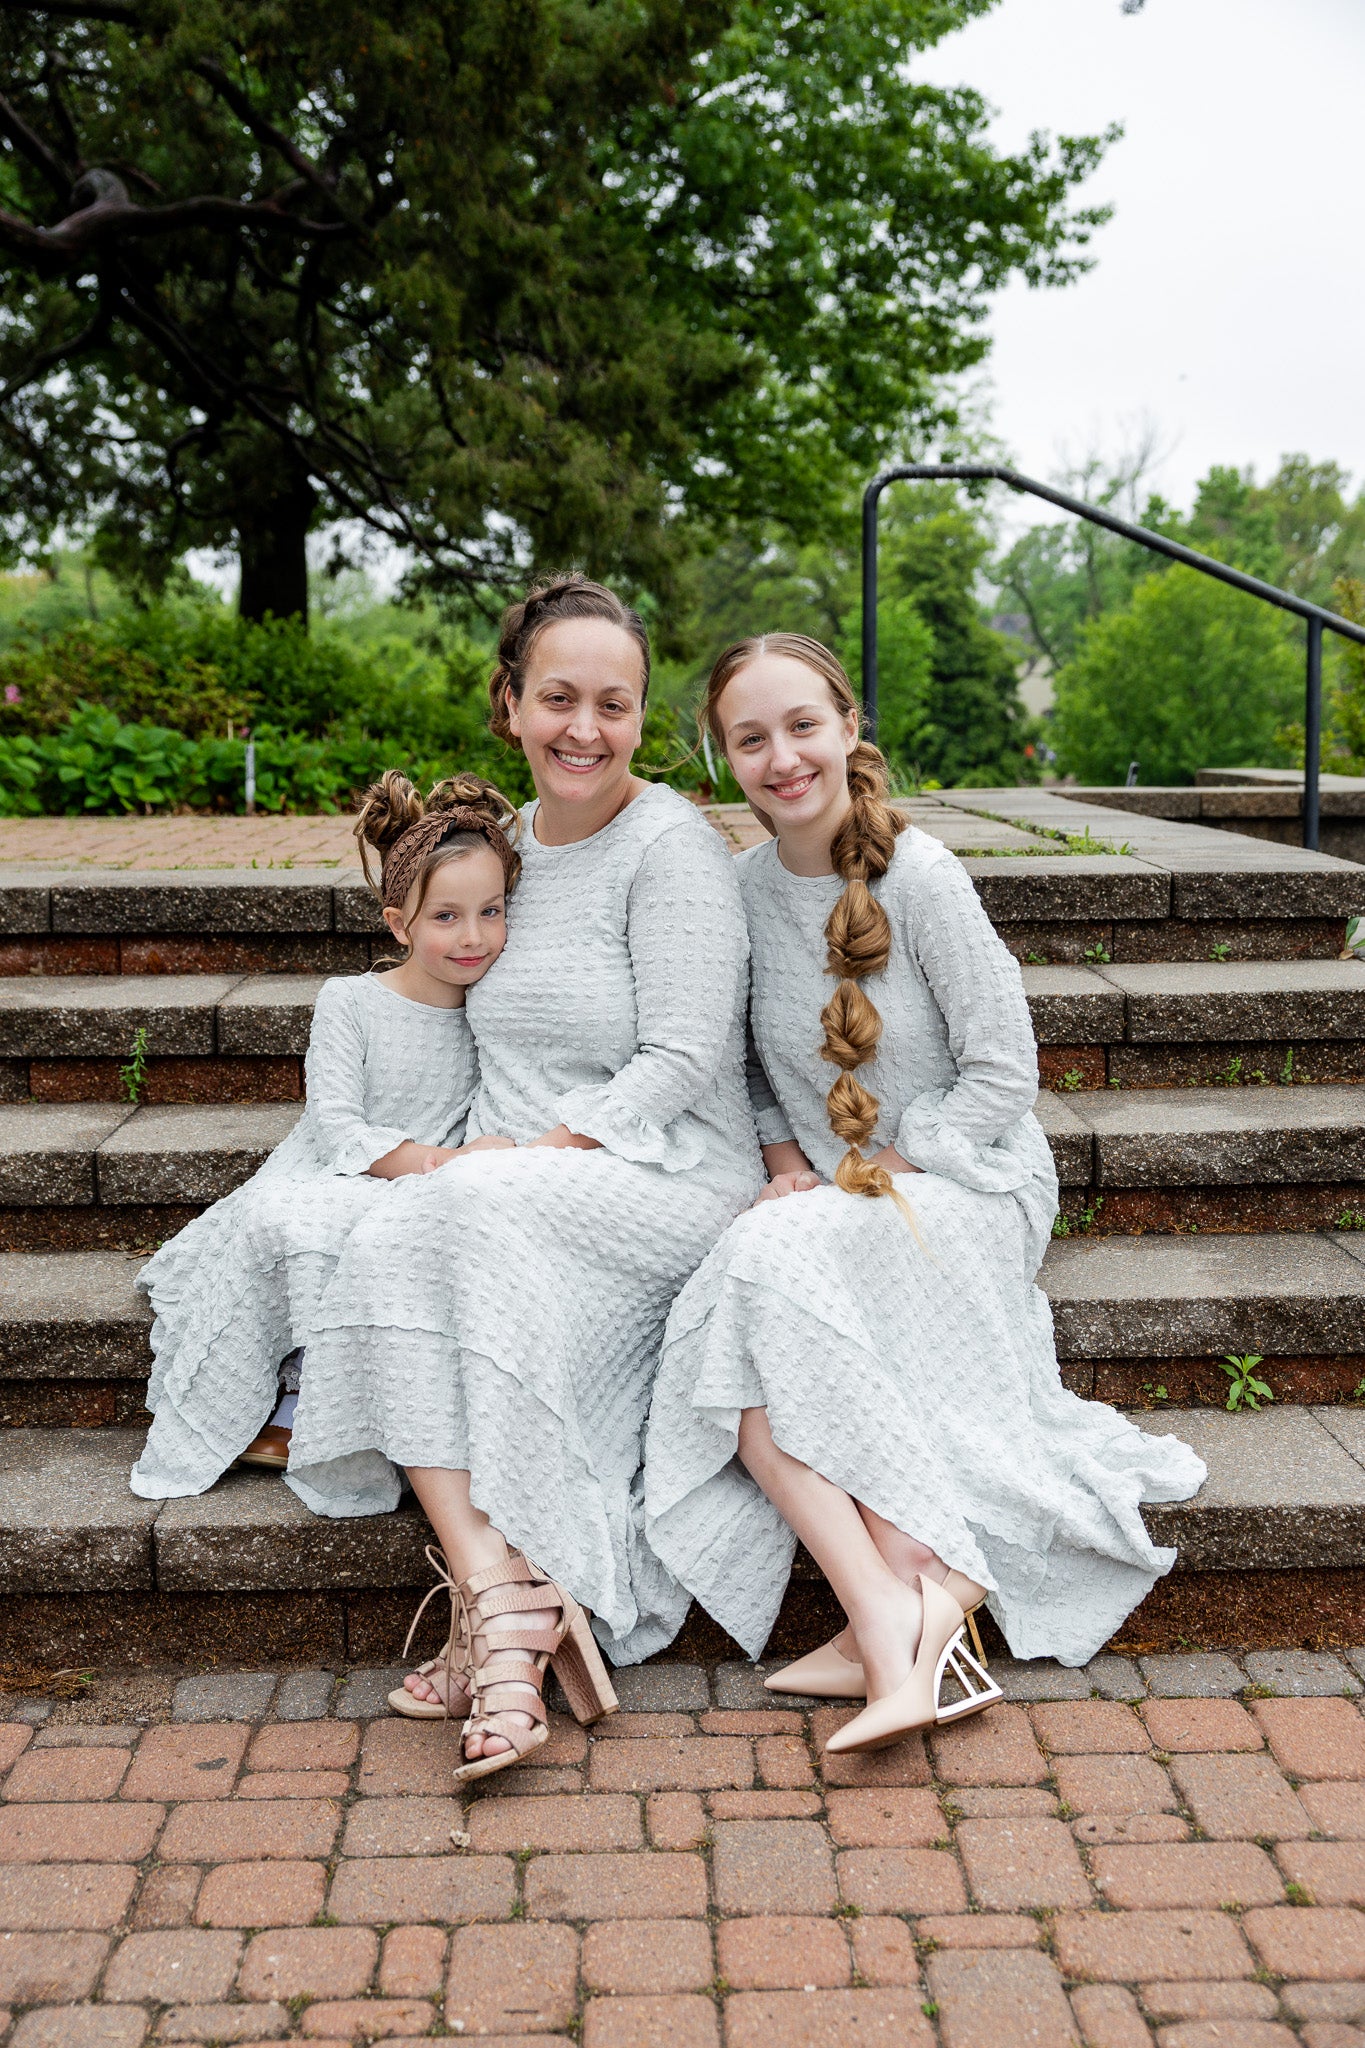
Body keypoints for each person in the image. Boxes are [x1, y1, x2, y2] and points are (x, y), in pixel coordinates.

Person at [645, 633, 1206, 1756]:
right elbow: (744, 1063)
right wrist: (783, 1161)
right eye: (749, 737)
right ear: (723, 756)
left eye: (802, 725)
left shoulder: (924, 875)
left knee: (751, 1272)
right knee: (739, 1298)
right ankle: (902, 1594)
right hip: (835, 1196)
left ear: (848, 726)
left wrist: (904, 1157)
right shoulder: (740, 890)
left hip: (969, 1179)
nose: (781, 756)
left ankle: (892, 1614)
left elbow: (1007, 1068)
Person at [291, 575, 765, 1781]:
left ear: (644, 719)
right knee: (401, 1224)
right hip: (511, 1183)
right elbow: (438, 983)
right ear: (510, 703)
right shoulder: (505, 846)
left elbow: (684, 1054)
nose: (584, 728)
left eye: (615, 703)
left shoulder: (671, 849)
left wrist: (543, 1154)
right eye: (557, 696)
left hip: (658, 1176)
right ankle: (502, 1605)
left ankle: (490, 1629)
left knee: (452, 1203)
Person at [129, 773, 521, 1514]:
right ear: (398, 923)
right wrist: (436, 1163)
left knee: (401, 1241)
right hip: (342, 1164)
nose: (472, 936)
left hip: (439, 1183)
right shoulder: (351, 1002)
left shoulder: (499, 1006)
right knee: (304, 1228)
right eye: (445, 916)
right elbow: (336, 1123)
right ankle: (289, 1388)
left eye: (490, 912)